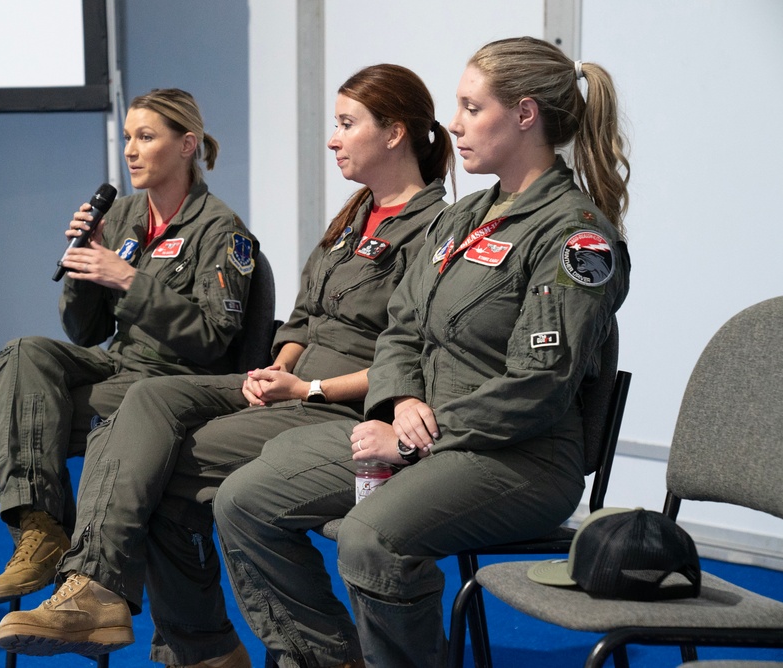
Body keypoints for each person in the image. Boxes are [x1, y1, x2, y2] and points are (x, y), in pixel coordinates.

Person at [0, 63, 454, 667]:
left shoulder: (439, 228)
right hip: (281, 385)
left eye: (345, 124)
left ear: (394, 133)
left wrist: (307, 386)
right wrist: (280, 368)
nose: (332, 137)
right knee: (64, 378)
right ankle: (77, 566)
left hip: (346, 408)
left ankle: (185, 636)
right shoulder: (352, 218)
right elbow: (301, 320)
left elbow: (409, 355)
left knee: (149, 455)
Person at [214, 35, 632, 667]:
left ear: (524, 115)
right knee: (244, 500)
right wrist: (402, 399)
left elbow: (539, 384)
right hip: (426, 430)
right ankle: (330, 659)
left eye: (470, 108)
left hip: (519, 457)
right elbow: (402, 329)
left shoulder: (575, 236)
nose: (453, 124)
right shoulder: (463, 218)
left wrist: (413, 439)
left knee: (369, 538)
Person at [0, 88, 259, 608]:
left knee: (23, 416)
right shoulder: (127, 214)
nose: (130, 150)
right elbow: (83, 332)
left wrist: (131, 281)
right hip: (117, 360)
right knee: (21, 356)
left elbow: (213, 340)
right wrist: (84, 266)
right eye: (128, 137)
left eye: (146, 137)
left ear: (186, 145)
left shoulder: (221, 229)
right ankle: (38, 529)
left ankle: (82, 567)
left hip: (172, 379)